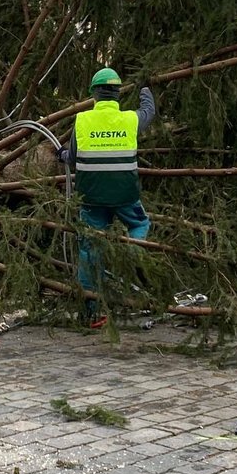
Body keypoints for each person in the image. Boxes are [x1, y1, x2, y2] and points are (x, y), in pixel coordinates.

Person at [59, 67, 156, 321]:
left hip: (91, 197)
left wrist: (60, 154)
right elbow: (149, 112)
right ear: (117, 95)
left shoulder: (82, 120)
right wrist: (145, 88)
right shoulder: (130, 119)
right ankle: (134, 251)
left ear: (94, 95)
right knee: (140, 223)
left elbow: (72, 159)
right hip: (125, 195)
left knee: (89, 249)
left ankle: (92, 313)